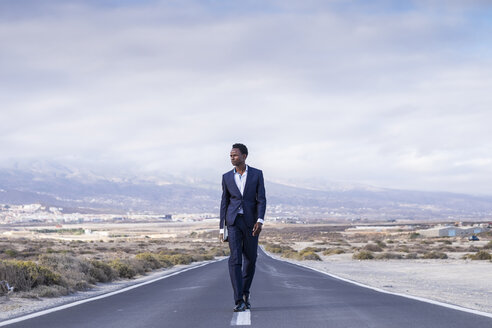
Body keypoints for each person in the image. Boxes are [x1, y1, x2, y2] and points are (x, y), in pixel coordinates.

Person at [220, 143, 266, 312]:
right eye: (231, 155)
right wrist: (221, 228)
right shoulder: (226, 177)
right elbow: (224, 202)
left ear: (244, 156)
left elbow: (261, 199)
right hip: (233, 223)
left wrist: (260, 220)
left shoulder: (256, 174)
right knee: (235, 260)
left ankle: (246, 292)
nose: (232, 158)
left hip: (251, 223)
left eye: (235, 155)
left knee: (251, 259)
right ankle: (238, 299)